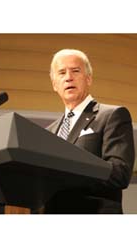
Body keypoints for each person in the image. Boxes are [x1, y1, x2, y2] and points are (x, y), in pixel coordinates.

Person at [44, 49, 135, 214]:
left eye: (75, 71)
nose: (68, 77)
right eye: (62, 73)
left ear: (88, 79)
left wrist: (68, 167)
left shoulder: (112, 115)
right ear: (54, 85)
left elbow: (120, 173)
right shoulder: (47, 132)